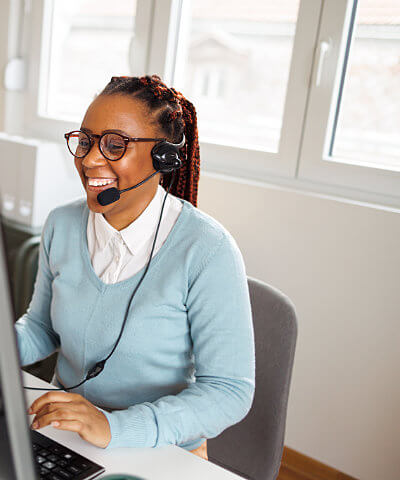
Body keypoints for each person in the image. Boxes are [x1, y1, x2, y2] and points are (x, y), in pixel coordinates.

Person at [14, 75, 255, 460]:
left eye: (114, 145)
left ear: (163, 157)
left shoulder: (208, 250)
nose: (90, 159)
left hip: (160, 451)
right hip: (65, 434)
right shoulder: (61, 224)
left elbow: (229, 391)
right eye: (85, 141)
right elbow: (42, 329)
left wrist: (113, 427)